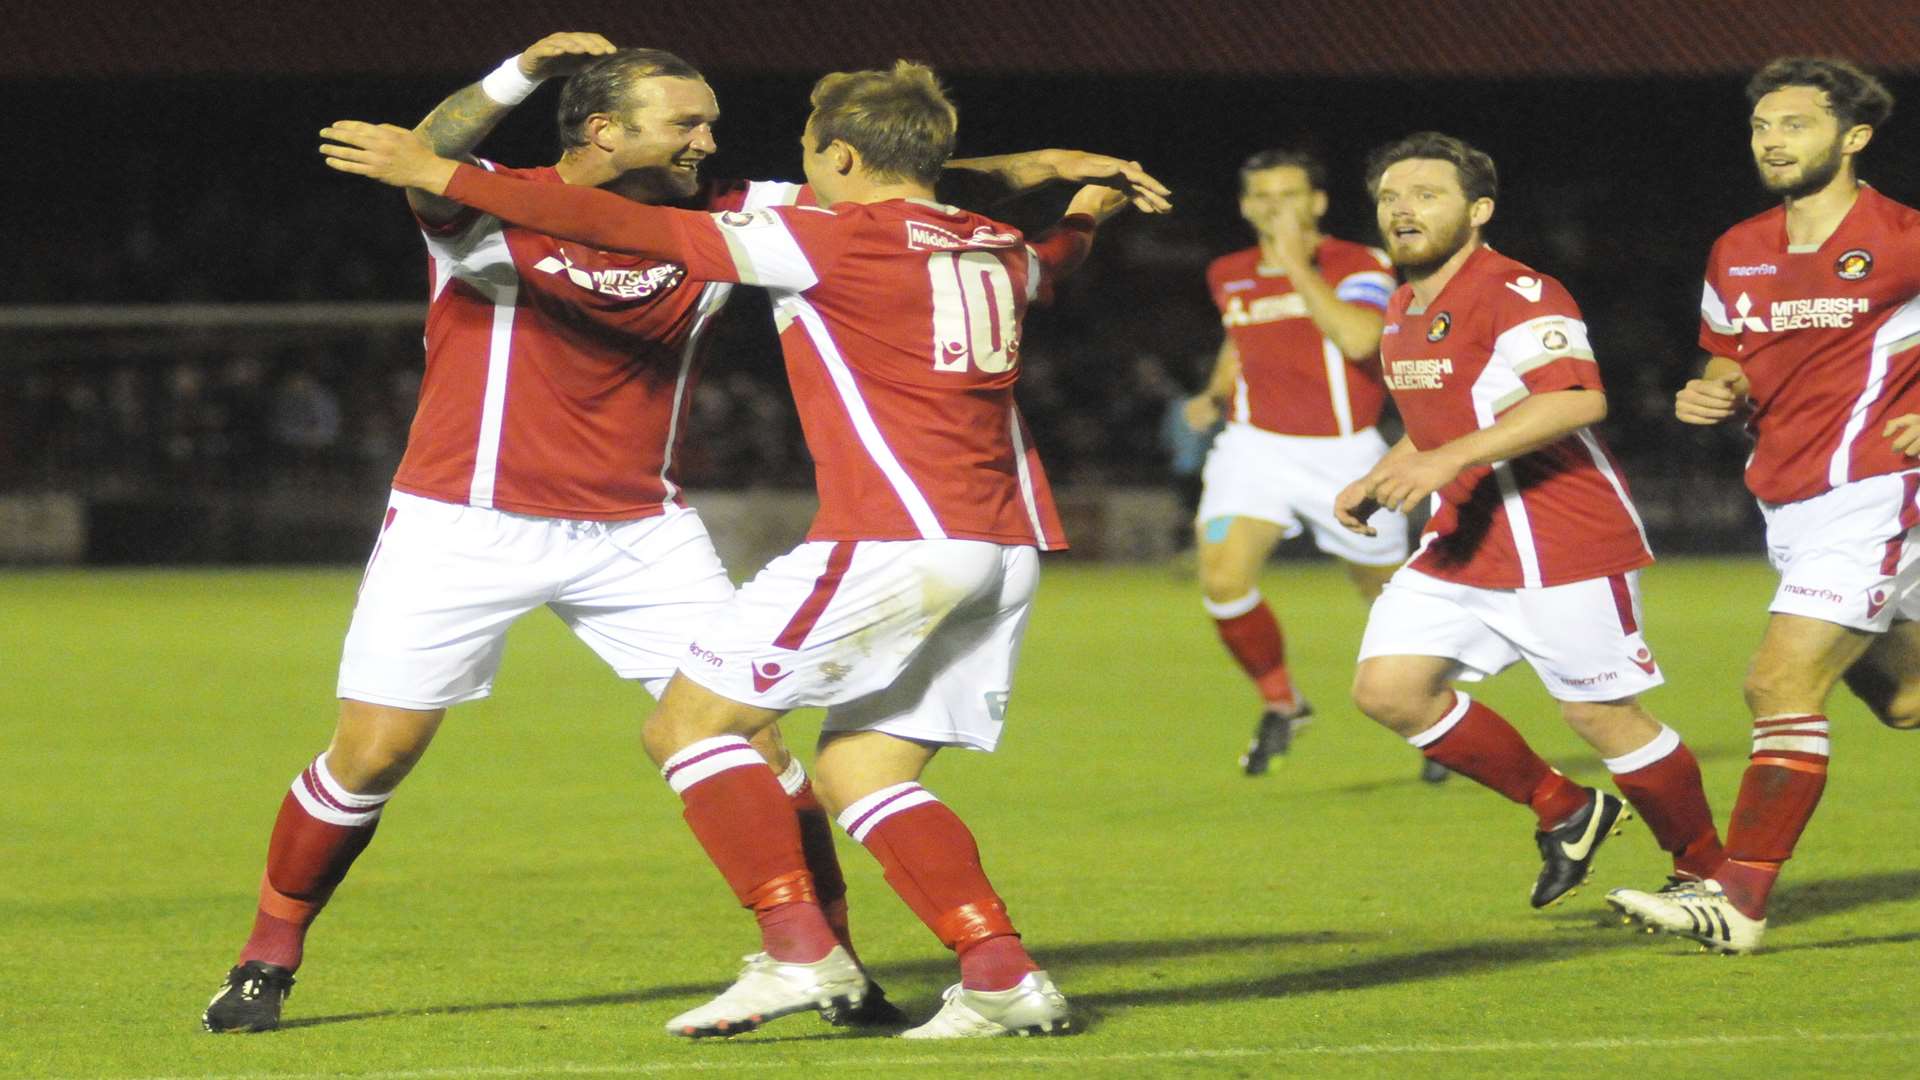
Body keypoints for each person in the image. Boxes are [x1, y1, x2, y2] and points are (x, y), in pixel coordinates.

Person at [205, 36, 1163, 1034]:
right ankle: (268, 955)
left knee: (750, 734)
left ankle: (824, 958)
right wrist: (521, 71)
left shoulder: (736, 211)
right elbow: (428, 148)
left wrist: (1046, 169)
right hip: (463, 517)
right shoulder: (485, 195)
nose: (710, 137)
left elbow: (895, 179)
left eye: (710, 120)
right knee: (375, 751)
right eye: (687, 121)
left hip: (640, 528)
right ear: (605, 128)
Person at [1334, 132, 1724, 911]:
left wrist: (1443, 462)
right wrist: (1384, 473)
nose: (1403, 209)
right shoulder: (1405, 305)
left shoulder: (1519, 292)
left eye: (1426, 194)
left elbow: (1577, 398)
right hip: (1466, 540)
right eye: (1390, 197)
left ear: (1478, 211)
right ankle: (1566, 809)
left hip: (1560, 537)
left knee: (1597, 713)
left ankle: (1709, 875)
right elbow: (1446, 417)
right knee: (1389, 689)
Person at [1607, 57, 1920, 953]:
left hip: (1878, 489)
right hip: (1789, 499)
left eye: (1796, 125)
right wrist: (1711, 390)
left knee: (1778, 683)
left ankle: (1734, 903)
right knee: (1903, 701)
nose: (1774, 142)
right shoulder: (1738, 248)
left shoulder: (1903, 239)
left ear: (1853, 138)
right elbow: (1729, 357)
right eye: (1762, 127)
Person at [1181, 149, 1433, 779]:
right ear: (1244, 206)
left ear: (1317, 203)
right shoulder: (1228, 272)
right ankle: (1282, 702)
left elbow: (1359, 338)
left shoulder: (1360, 263)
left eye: (1289, 195)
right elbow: (1239, 340)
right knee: (1222, 578)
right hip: (1253, 447)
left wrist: (1294, 264)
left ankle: (1432, 712)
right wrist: (1214, 393)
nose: (1275, 208)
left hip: (1345, 453)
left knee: (1387, 598)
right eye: (1261, 197)